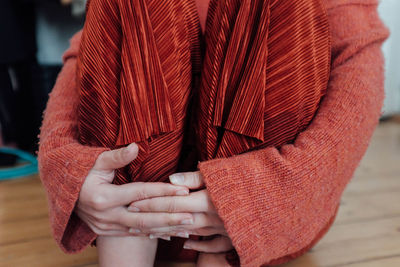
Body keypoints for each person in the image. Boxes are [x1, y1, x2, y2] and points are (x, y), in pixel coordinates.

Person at [38, 0, 390, 266]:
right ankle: (126, 253)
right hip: (135, 218)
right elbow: (89, 52)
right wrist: (70, 171)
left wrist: (265, 200)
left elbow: (357, 62)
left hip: (259, 231)